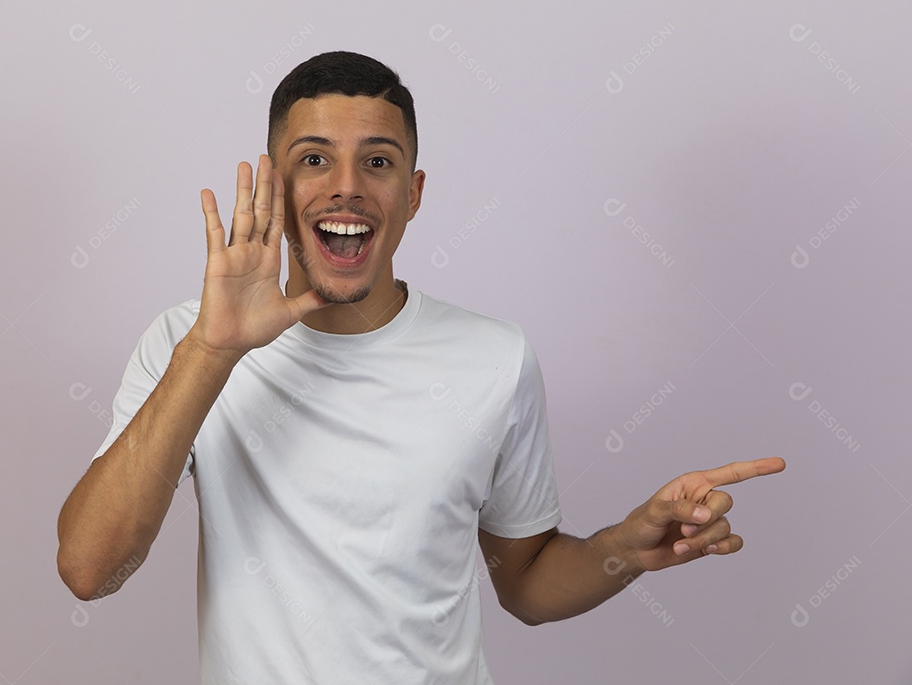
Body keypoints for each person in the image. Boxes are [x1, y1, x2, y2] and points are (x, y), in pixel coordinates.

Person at [56, 50, 785, 683]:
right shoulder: (187, 342)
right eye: (314, 159)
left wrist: (624, 546)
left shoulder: (493, 358)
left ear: (413, 193)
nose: (346, 186)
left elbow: (525, 583)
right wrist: (214, 352)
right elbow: (91, 570)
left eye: (377, 161)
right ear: (277, 186)